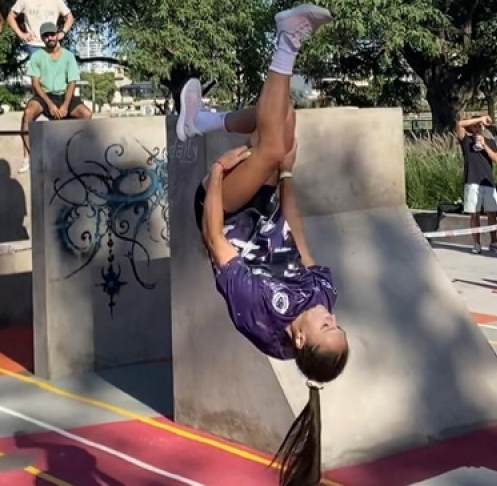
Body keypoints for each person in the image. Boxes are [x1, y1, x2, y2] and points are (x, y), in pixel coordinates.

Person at [176, 5, 348, 486]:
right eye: (337, 325)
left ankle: (287, 39)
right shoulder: (320, 297)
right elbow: (295, 227)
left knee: (269, 142)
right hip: (263, 207)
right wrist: (289, 171)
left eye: (327, 327)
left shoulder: (260, 315)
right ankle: (200, 120)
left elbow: (213, 241)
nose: (331, 316)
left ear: (299, 339)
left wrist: (214, 177)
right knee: (284, 124)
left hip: (221, 211)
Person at [18, 22, 92, 173]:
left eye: (52, 34)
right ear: (42, 38)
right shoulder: (37, 57)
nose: (50, 38)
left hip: (64, 95)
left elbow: (72, 82)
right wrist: (50, 105)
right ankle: (28, 156)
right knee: (28, 113)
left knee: (86, 114)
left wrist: (65, 105)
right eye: (46, 35)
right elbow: (35, 84)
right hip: (44, 96)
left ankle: (78, 153)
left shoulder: (68, 56)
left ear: (57, 35)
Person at [454, 114, 497, 254]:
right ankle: (476, 243)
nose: (478, 127)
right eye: (475, 125)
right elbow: (459, 124)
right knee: (474, 214)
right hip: (472, 180)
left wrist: (484, 145)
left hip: (487, 181)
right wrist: (480, 118)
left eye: (479, 125)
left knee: (491, 213)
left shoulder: (490, 141)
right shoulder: (466, 140)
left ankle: (494, 242)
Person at [7, 0, 74, 56]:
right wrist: (21, 34)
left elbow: (70, 18)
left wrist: (63, 32)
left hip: (52, 46)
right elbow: (10, 17)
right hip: (33, 45)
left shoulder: (57, 1)